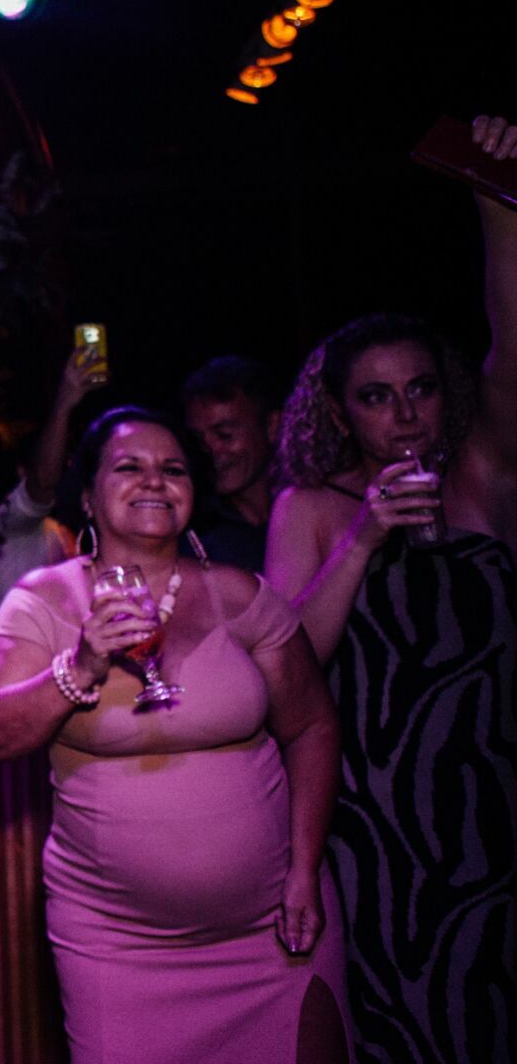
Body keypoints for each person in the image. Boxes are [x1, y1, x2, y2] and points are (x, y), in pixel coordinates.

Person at [0, 406, 348, 1064]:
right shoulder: (41, 601)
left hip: (275, 930)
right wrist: (80, 665)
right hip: (117, 949)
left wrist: (306, 869)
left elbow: (313, 726)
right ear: (87, 495)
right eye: (129, 467)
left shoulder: (242, 595)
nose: (155, 480)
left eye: (173, 468)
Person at [265, 113, 517, 1064]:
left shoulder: (484, 477)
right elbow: (289, 675)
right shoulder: (314, 510)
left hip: (500, 816)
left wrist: (496, 196)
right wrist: (366, 536)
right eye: (376, 396)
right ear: (339, 411)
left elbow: (513, 351)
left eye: (419, 389)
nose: (404, 412)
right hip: (383, 834)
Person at [0, 341, 102, 624]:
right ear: (21, 470)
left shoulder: (63, 532)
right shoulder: (12, 524)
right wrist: (65, 402)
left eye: (67, 461)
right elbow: (43, 482)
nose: (63, 469)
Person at [181, 354, 286, 572]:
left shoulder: (315, 505)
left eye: (224, 435)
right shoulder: (194, 532)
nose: (210, 452)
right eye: (198, 441)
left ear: (272, 426)